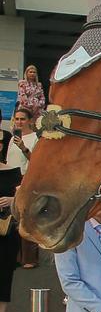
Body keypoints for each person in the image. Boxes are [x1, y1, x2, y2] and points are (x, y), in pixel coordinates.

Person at [5, 107, 39, 267]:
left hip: (25, 178)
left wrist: (24, 148)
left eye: (22, 119)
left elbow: (36, 161)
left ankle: (29, 258)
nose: (19, 122)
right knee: (11, 217)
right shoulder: (12, 138)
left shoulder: (35, 138)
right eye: (17, 119)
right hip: (10, 178)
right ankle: (15, 256)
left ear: (30, 121)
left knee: (25, 218)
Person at [0, 163, 21, 312]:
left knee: (3, 282)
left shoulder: (13, 172)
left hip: (6, 234)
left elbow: (28, 199)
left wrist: (13, 200)